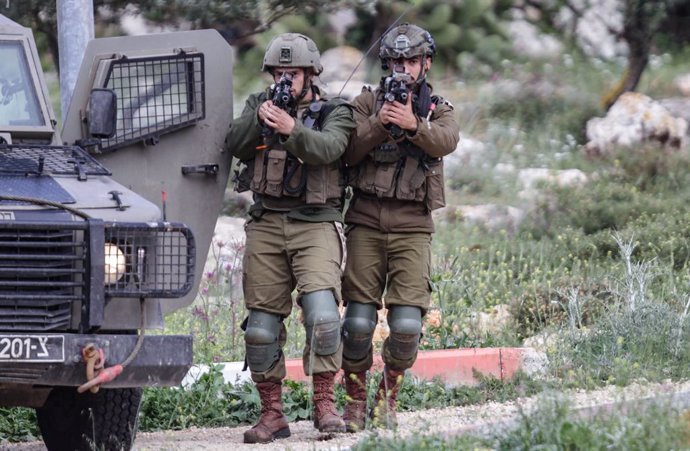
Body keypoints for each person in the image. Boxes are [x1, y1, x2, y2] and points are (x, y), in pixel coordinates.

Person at [224, 33, 355, 443]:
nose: (285, 80)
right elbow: (234, 144)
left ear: (310, 74)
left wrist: (292, 128)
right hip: (267, 221)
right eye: (279, 73)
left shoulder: (336, 110)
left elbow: (329, 148)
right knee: (260, 328)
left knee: (323, 315)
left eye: (292, 73)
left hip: (316, 223)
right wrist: (260, 119)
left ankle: (324, 403)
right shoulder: (258, 105)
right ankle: (272, 414)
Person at [340, 23, 460, 432]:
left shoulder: (435, 107)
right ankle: (355, 399)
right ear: (386, 63)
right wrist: (380, 123)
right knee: (357, 322)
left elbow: (447, 141)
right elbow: (347, 147)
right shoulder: (366, 102)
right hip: (365, 221)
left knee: (407, 325)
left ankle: (386, 396)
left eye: (411, 61)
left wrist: (413, 125)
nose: (403, 69)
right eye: (396, 61)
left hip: (412, 225)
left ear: (425, 63)